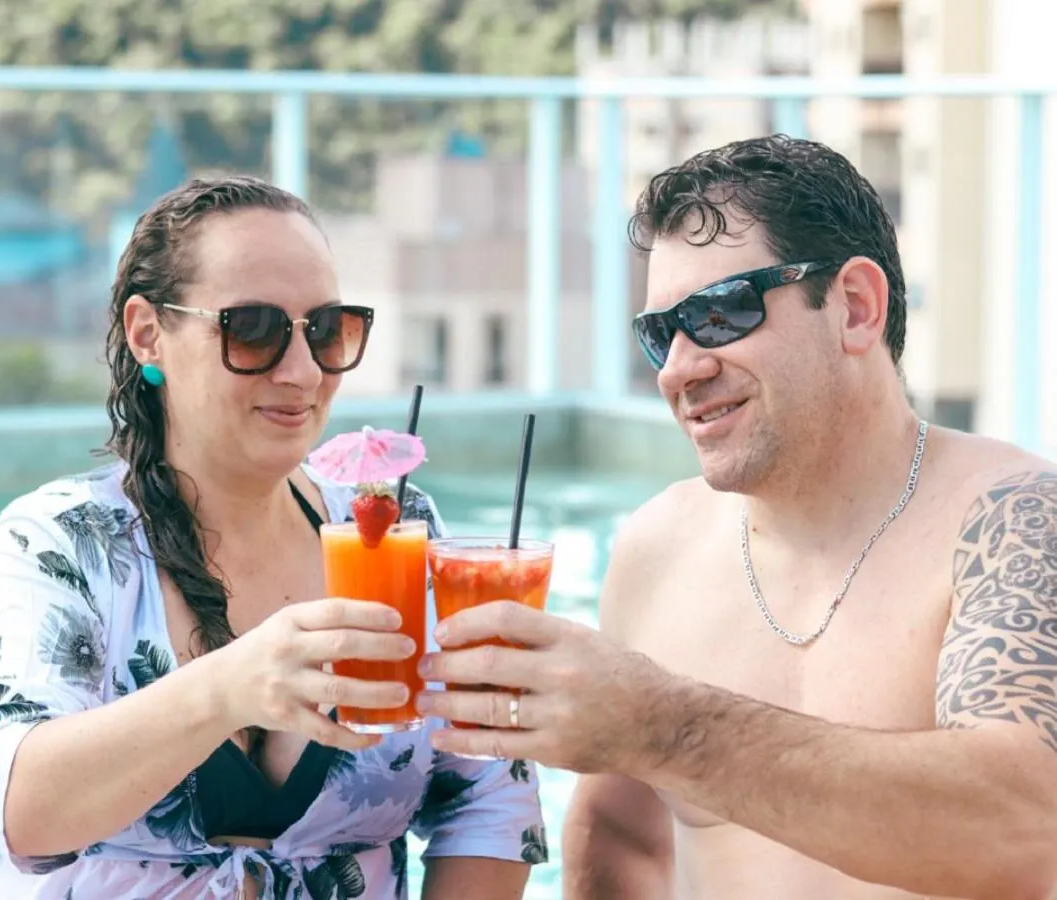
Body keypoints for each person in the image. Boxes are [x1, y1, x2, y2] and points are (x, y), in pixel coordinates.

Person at [413, 135, 1057, 900]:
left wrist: (665, 728)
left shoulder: (1015, 520)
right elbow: (623, 837)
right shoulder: (660, 546)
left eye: (720, 313)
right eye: (660, 334)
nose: (680, 368)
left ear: (855, 307)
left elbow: (1026, 826)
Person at [0, 175, 545, 900]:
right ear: (149, 334)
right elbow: (15, 808)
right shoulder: (60, 542)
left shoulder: (393, 527)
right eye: (254, 329)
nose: (302, 372)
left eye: (326, 330)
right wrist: (226, 689)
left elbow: (487, 795)